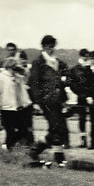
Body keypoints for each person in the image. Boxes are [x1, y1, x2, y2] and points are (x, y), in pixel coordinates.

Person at [28, 35, 70, 164]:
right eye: (47, 47)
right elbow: (34, 83)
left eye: (52, 47)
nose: (50, 49)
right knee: (56, 127)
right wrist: (36, 101)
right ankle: (38, 150)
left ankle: (55, 154)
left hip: (58, 100)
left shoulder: (58, 62)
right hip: (45, 100)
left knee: (60, 128)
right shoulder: (38, 62)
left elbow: (67, 77)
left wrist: (65, 80)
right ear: (43, 47)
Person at [0, 57, 31, 150]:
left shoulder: (17, 77)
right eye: (13, 66)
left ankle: (7, 145)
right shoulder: (0, 77)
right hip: (6, 108)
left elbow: (26, 77)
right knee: (10, 131)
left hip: (17, 108)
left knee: (23, 130)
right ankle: (8, 148)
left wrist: (22, 70)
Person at [69, 48, 93, 148]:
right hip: (81, 97)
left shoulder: (91, 68)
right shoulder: (75, 69)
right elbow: (72, 84)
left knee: (93, 119)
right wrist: (81, 94)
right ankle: (83, 140)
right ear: (81, 56)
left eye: (87, 56)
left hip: (91, 96)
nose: (85, 57)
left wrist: (90, 94)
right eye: (84, 56)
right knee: (82, 118)